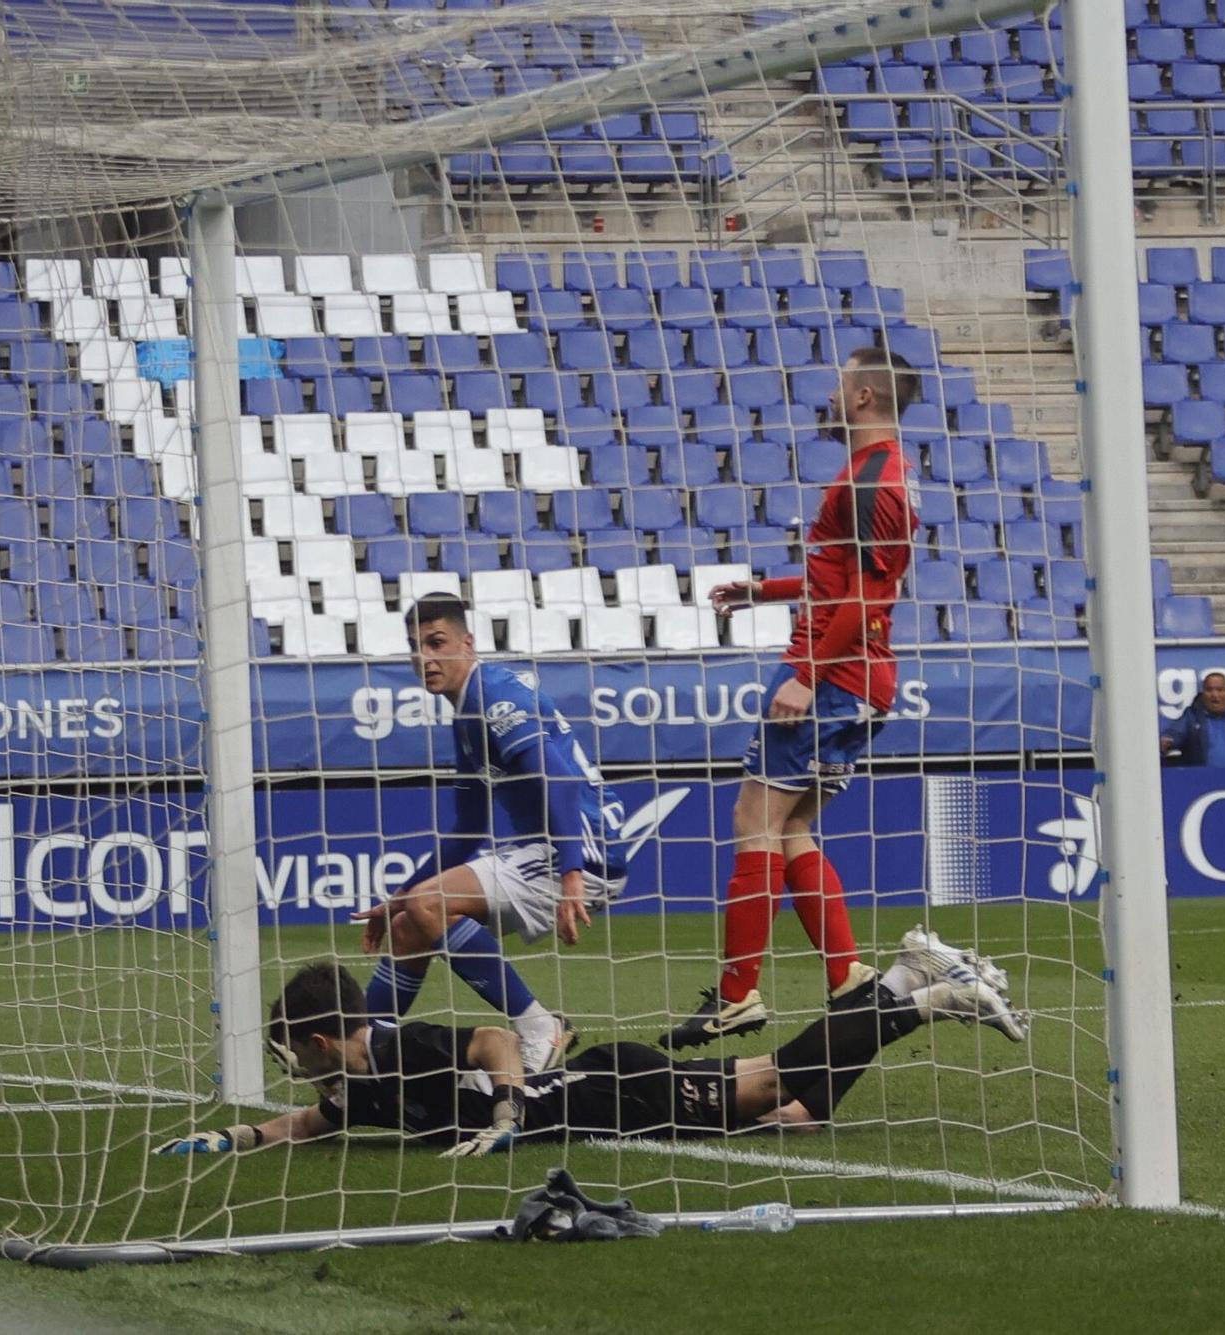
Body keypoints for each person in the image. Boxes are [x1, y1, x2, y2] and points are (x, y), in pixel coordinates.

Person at [153, 927, 1024, 1158]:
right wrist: (236, 1138)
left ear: (316, 1037)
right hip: (605, 1086)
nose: (291, 1069)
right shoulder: (351, 1085)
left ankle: (933, 992)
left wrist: (502, 1112)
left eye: (289, 1052)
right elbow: (312, 1123)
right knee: (801, 1107)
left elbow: (494, 1038)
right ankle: (904, 981)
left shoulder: (399, 1045)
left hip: (612, 1092)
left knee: (780, 1082)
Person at [663, 346, 921, 1050]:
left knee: (755, 818)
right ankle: (846, 975)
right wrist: (763, 591)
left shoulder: (872, 481)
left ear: (865, 394)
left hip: (832, 677)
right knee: (794, 826)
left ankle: (738, 993)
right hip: (863, 681)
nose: (832, 396)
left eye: (842, 384)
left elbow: (865, 596)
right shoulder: (881, 475)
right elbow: (844, 581)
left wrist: (806, 672)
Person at [348, 592, 628, 1072]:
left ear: (468, 643)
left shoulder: (494, 695)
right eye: (416, 648)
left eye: (437, 643)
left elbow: (558, 780)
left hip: (580, 849)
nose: (426, 658)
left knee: (429, 905)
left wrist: (571, 874)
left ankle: (540, 1027)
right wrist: (399, 896)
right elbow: (468, 829)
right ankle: (367, 1058)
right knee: (410, 922)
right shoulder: (468, 711)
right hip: (555, 849)